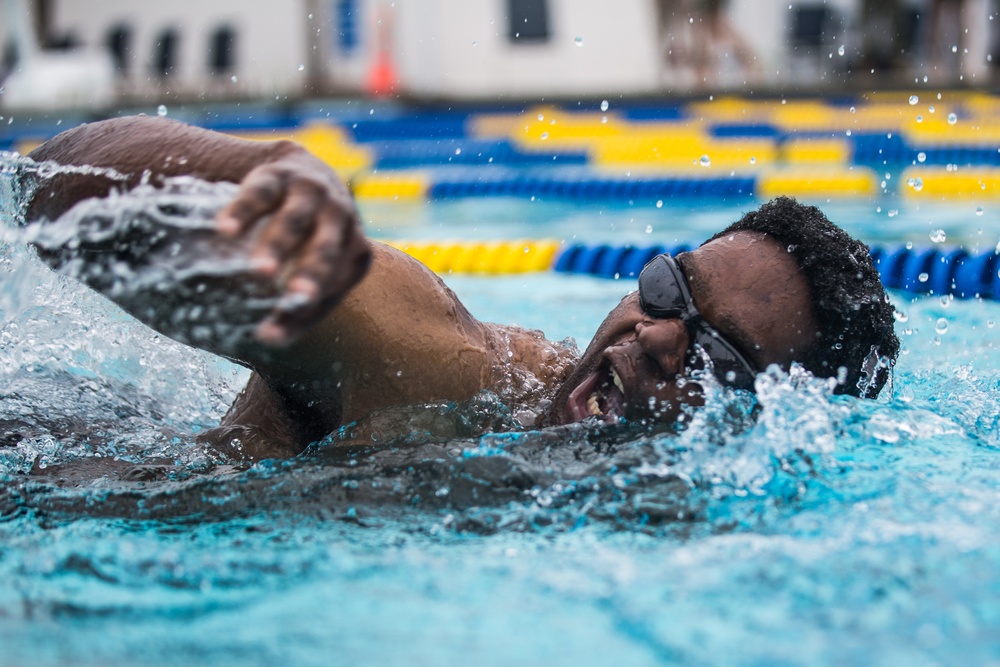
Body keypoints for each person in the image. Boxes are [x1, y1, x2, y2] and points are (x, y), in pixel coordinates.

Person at [24, 115, 900, 461]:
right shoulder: (443, 372)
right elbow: (47, 186)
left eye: (720, 353)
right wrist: (261, 170)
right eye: (672, 287)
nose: (660, 333)